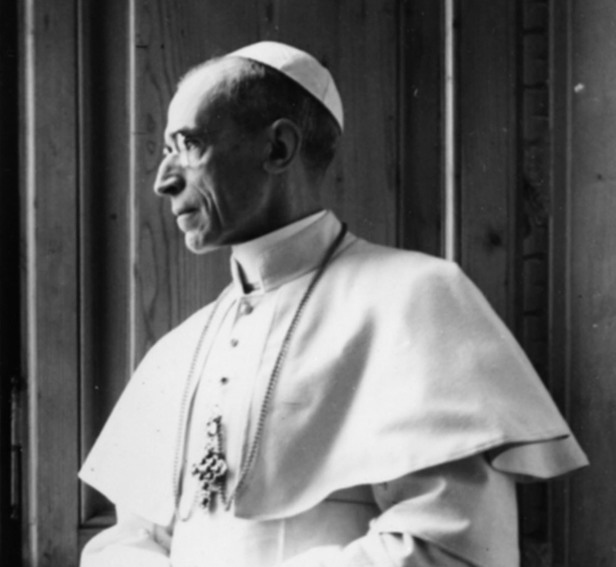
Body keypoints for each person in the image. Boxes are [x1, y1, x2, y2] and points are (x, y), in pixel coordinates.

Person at [78, 41, 588, 566]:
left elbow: (452, 542)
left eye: (189, 144)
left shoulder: (417, 299)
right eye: (166, 150)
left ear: (279, 148)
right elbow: (125, 542)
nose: (163, 181)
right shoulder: (177, 350)